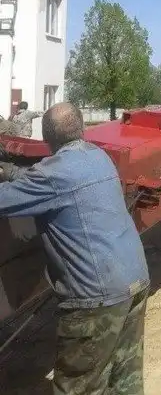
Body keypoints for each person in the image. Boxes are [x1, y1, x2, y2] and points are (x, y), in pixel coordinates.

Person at [0, 101, 150, 394]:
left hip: (96, 299)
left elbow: (7, 198)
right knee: (124, 382)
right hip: (136, 281)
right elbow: (46, 180)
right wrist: (11, 170)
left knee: (78, 387)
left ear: (46, 138)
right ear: (82, 128)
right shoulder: (99, 157)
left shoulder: (51, 177)